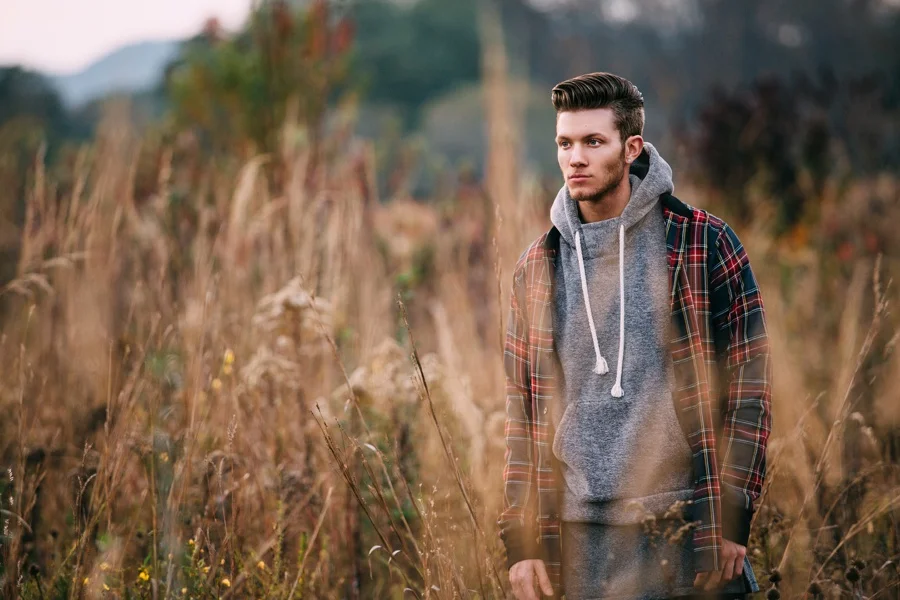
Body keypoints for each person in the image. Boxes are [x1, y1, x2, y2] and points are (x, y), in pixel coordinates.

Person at [498, 72, 772, 600]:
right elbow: (524, 413)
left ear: (631, 148)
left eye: (592, 142)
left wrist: (733, 517)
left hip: (683, 531)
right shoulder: (538, 267)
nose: (575, 158)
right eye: (564, 143)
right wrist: (523, 540)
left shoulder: (702, 243)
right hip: (573, 544)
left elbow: (749, 388)